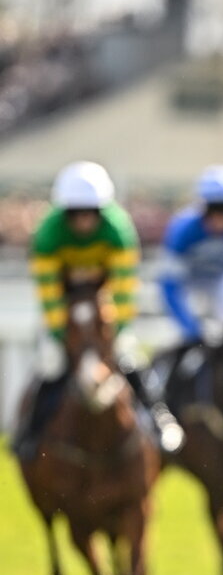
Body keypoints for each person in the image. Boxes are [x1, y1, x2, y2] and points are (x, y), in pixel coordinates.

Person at [15, 161, 184, 459]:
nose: (83, 221)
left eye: (90, 213)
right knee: (51, 364)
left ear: (101, 211)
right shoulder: (48, 234)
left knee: (130, 357)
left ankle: (161, 420)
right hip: (67, 313)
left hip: (104, 311)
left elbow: (123, 289)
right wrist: (60, 333)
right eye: (76, 213)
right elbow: (49, 292)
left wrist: (114, 331)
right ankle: (28, 435)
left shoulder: (118, 230)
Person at [157, 164, 223, 347]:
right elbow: (169, 285)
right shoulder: (183, 230)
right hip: (187, 283)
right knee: (179, 337)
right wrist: (190, 328)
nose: (219, 218)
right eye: (213, 210)